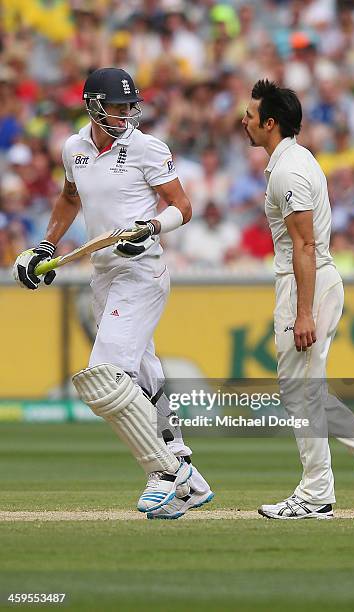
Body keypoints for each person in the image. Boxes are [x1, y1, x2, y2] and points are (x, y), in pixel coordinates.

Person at [12, 67, 213, 520]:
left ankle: (163, 473)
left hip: (142, 271)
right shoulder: (73, 148)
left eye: (129, 107)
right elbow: (69, 198)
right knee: (146, 379)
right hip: (102, 273)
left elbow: (183, 206)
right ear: (92, 106)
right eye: (117, 108)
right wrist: (46, 245)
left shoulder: (147, 148)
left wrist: (150, 228)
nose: (125, 115)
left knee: (104, 375)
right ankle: (189, 476)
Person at [241, 79, 354, 520]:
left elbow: (305, 246)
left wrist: (304, 311)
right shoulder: (295, 159)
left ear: (271, 123)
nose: (245, 121)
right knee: (304, 393)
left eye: (252, 116)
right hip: (309, 282)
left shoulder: (290, 170)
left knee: (302, 394)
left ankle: (316, 495)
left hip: (306, 285)